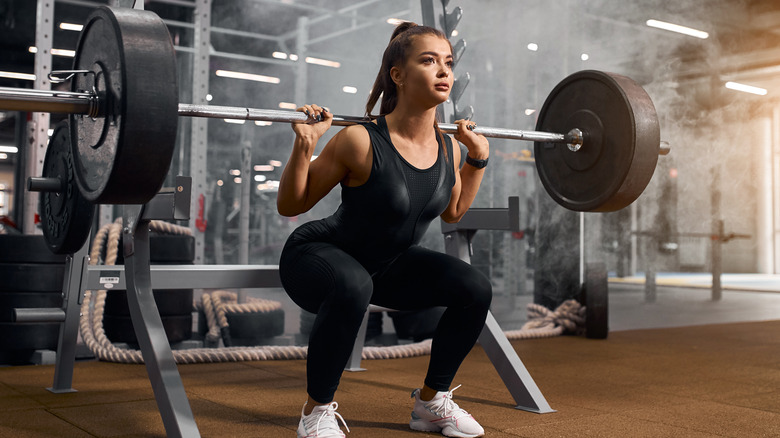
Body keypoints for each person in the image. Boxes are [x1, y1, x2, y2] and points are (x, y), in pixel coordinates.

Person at [277, 21, 491, 438]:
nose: (444, 71)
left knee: (474, 288)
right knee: (354, 284)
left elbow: (453, 213)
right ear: (398, 74)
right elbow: (292, 204)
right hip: (315, 257)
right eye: (429, 61)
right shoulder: (360, 140)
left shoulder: (447, 146)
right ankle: (314, 411)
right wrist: (305, 146)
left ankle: (431, 402)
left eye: (447, 62)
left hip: (385, 267)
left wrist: (477, 159)